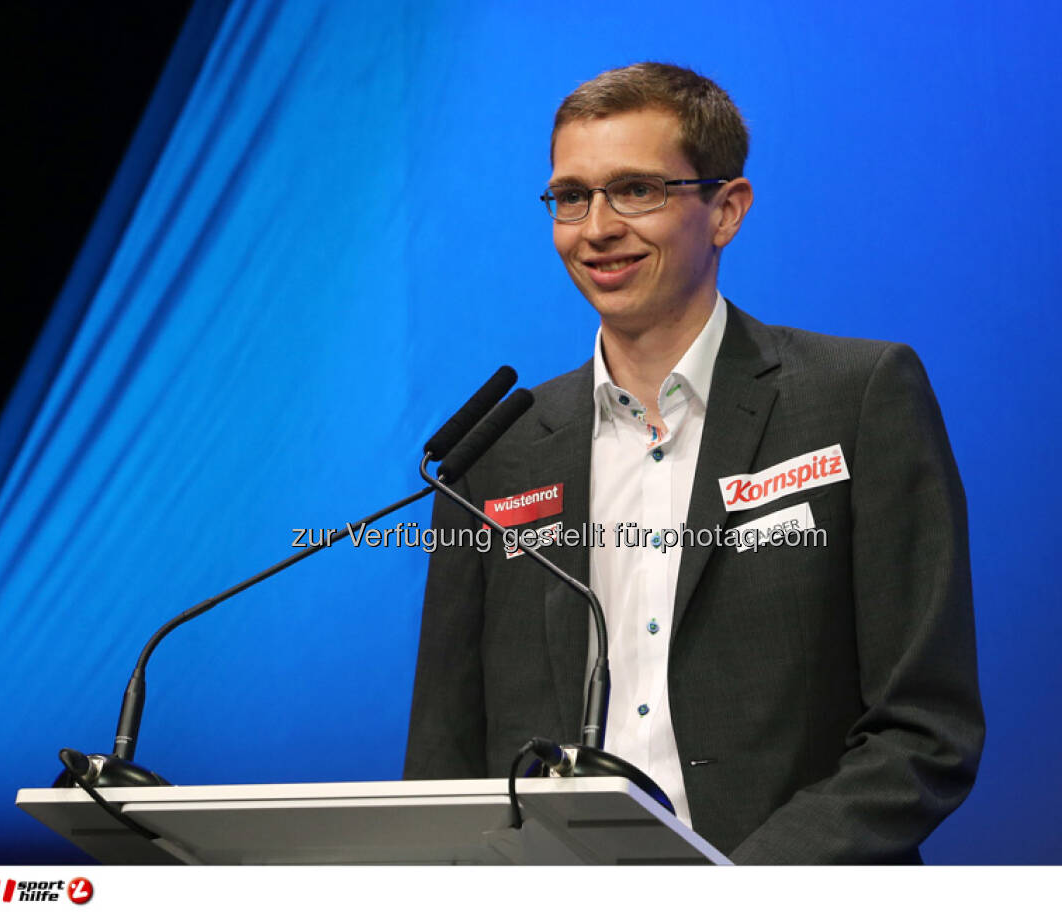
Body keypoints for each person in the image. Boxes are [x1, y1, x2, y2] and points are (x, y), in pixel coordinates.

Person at [404, 62, 983, 864]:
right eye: (571, 196)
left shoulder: (858, 398)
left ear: (727, 210)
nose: (596, 227)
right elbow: (444, 759)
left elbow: (924, 731)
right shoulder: (493, 449)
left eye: (636, 190)